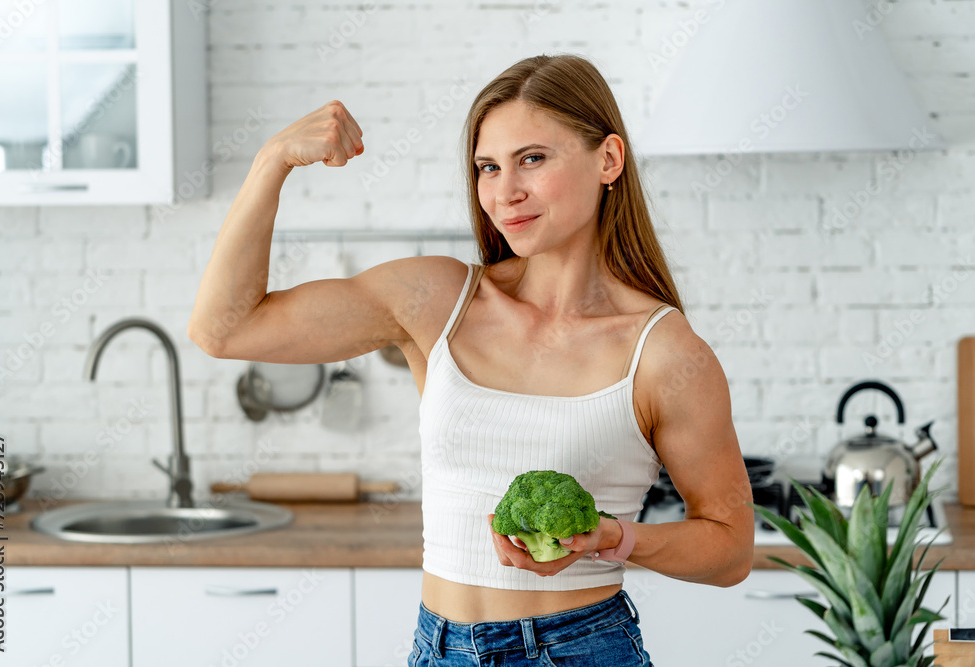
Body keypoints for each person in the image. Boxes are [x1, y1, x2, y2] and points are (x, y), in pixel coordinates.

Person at [189, 53, 753, 667]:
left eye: (532, 159)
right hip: (439, 647)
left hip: (580, 649)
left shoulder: (664, 351)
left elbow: (730, 549)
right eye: (488, 167)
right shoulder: (437, 300)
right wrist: (272, 160)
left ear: (608, 160)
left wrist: (617, 538)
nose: (504, 192)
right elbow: (225, 328)